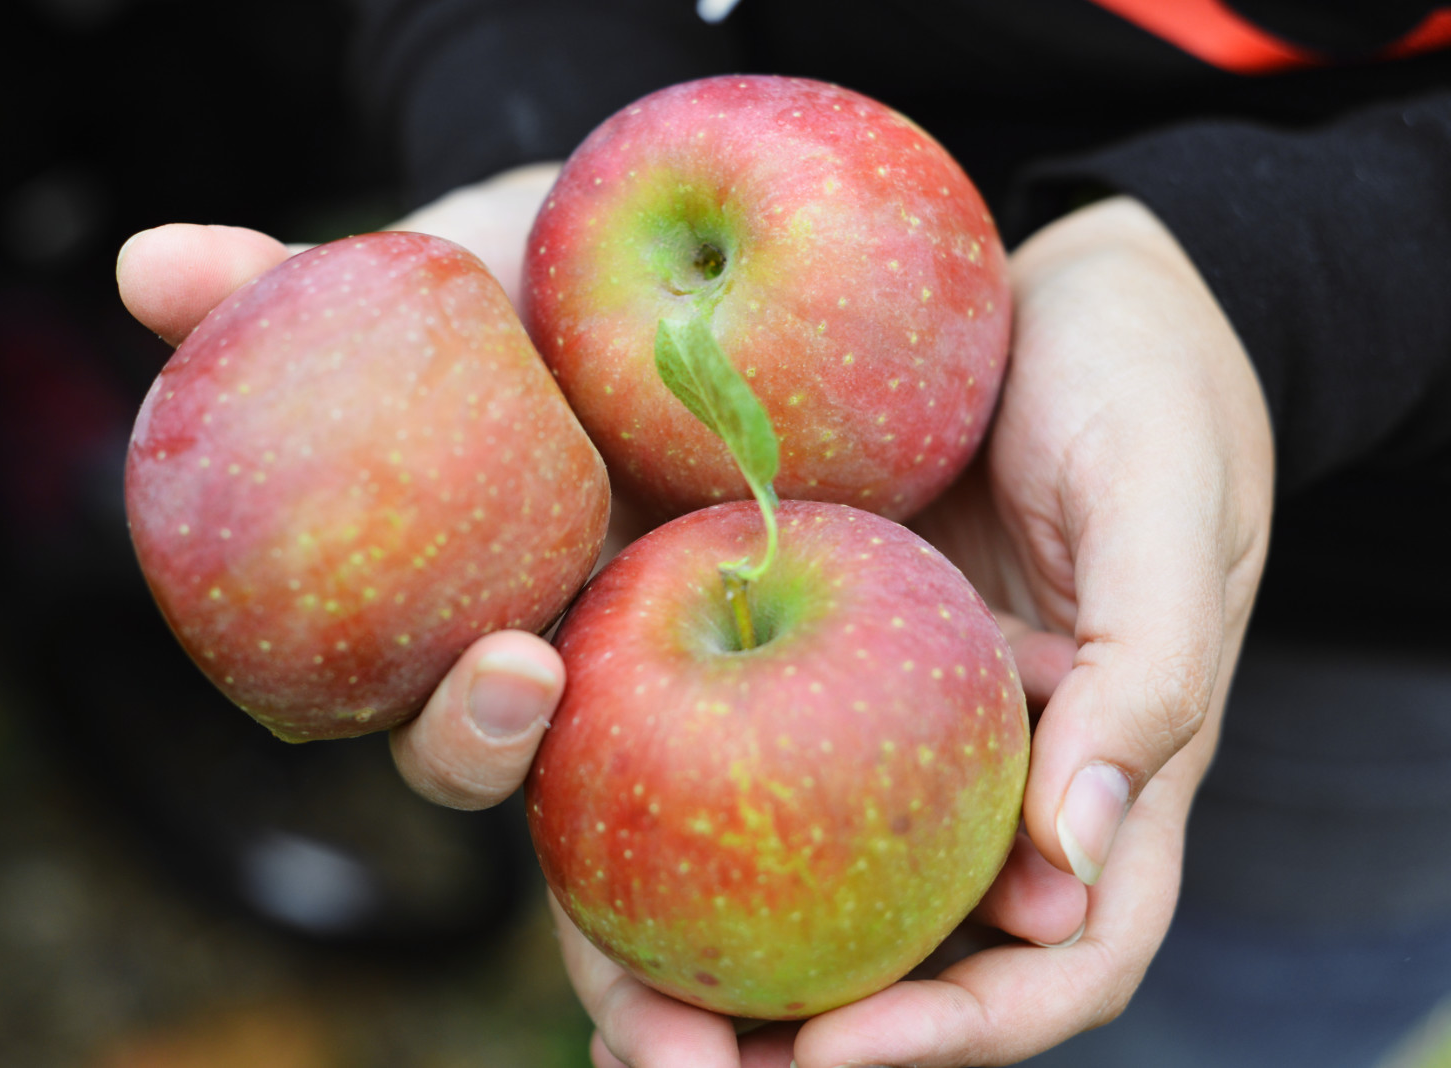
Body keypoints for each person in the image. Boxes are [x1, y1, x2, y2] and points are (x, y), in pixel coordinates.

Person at [115, 2, 1451, 1064]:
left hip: (1396, 606)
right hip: (655, 245)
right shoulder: (562, 401)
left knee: (1219, 1017)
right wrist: (531, 109)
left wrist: (1259, 281)